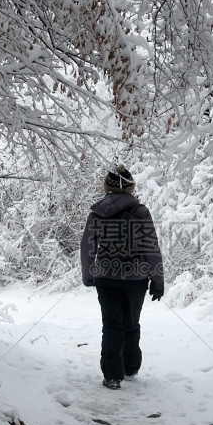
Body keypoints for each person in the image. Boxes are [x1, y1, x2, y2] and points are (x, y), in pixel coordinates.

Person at [80, 165, 164, 389]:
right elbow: (151, 249)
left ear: (106, 186)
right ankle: (131, 367)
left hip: (106, 278)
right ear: (131, 187)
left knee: (111, 324)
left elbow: (88, 246)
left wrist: (89, 274)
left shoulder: (97, 213)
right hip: (136, 279)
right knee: (131, 323)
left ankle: (112, 376)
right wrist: (157, 281)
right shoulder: (141, 212)